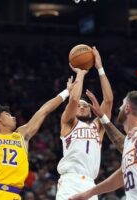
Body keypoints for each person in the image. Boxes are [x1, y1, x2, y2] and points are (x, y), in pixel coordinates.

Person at [56, 47, 113, 200]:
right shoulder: (67, 123)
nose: (81, 106)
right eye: (79, 106)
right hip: (70, 181)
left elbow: (108, 100)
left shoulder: (98, 127)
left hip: (90, 184)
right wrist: (79, 74)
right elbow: (74, 100)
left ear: (91, 111)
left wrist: (100, 67)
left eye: (85, 105)